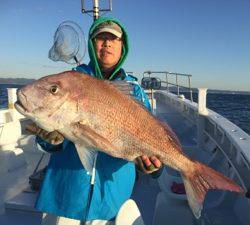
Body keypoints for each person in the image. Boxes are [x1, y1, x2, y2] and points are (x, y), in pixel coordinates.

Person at [31, 17, 163, 224]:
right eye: (101, 37)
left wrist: (154, 167)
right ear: (93, 44)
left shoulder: (135, 91)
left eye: (114, 38)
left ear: (123, 46)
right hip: (65, 196)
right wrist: (49, 139)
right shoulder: (69, 80)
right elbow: (44, 139)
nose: (107, 43)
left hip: (111, 200)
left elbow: (149, 137)